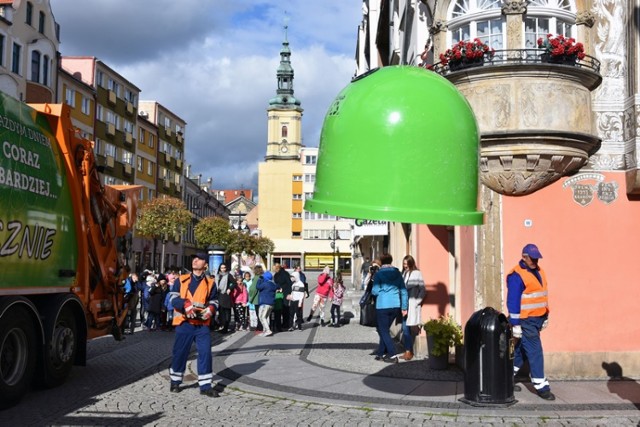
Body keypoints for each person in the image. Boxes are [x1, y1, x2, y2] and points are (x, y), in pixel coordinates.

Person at [507, 243, 554, 401]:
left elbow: (542, 295)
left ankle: (505, 377)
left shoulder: (540, 272)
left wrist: (545, 315)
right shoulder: (517, 275)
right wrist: (516, 324)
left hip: (537, 319)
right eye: (532, 258)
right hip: (525, 320)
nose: (535, 261)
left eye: (537, 258)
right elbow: (512, 301)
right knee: (535, 351)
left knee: (521, 351)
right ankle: (542, 387)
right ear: (524, 257)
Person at [168, 252, 219, 397]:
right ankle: (175, 381)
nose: (195, 260)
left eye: (199, 259)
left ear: (205, 264)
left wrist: (211, 309)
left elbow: (214, 301)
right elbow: (173, 299)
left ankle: (205, 386)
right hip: (184, 323)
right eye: (194, 258)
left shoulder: (210, 283)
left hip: (202, 324)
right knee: (180, 353)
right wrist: (185, 303)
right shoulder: (181, 280)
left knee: (205, 353)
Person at [371, 253, 407, 362]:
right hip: (395, 305)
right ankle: (381, 353)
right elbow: (403, 291)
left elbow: (375, 291)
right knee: (385, 329)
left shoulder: (379, 274)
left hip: (382, 305)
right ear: (391, 261)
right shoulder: (397, 273)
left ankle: (392, 355)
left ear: (381, 262)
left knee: (383, 330)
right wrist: (404, 307)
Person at [400, 255, 426, 361]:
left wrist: (417, 302)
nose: (404, 265)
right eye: (403, 263)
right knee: (405, 328)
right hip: (404, 305)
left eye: (406, 264)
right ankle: (408, 350)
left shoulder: (417, 273)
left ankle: (408, 351)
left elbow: (423, 289)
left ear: (411, 263)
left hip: (412, 304)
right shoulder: (404, 273)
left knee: (408, 328)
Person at [256, 271, 278, 337]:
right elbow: (278, 286)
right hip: (271, 303)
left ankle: (268, 330)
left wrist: (259, 280)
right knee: (265, 317)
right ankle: (265, 331)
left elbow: (258, 287)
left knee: (262, 317)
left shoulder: (265, 284)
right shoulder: (273, 284)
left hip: (264, 303)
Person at [215, 263, 235, 333]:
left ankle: (226, 327)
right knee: (221, 312)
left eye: (224, 268)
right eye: (222, 268)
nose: (223, 269)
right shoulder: (217, 276)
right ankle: (222, 326)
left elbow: (234, 283)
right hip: (219, 295)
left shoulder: (228, 275)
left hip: (226, 295)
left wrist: (230, 288)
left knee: (227, 312)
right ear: (219, 268)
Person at [273, 263, 293, 330]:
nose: (273, 270)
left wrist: (288, 292)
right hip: (278, 293)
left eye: (274, 269)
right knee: (279, 308)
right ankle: (279, 323)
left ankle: (286, 323)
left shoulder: (285, 274)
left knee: (285, 308)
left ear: (277, 268)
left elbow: (289, 283)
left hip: (285, 292)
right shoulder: (276, 274)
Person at [249, 265, 264, 332]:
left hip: (257, 298)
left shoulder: (256, 278)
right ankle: (263, 326)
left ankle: (259, 327)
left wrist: (250, 298)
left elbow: (253, 289)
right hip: (263, 298)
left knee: (258, 313)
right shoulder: (263, 277)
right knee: (262, 314)